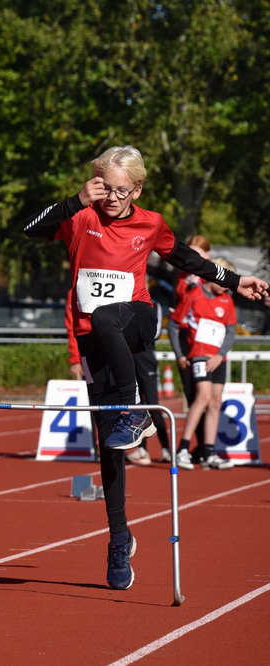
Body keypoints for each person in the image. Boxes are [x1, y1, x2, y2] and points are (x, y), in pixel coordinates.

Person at [21, 145, 268, 591]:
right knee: (110, 445)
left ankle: (135, 407)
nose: (111, 198)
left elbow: (189, 261)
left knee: (106, 316)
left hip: (136, 321)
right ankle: (119, 538)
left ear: (137, 188)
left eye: (120, 190)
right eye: (104, 188)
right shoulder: (80, 216)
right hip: (93, 342)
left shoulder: (150, 223)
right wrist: (76, 200)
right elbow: (29, 228)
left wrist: (236, 281)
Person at [64, 299, 170, 465]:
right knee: (101, 405)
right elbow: (72, 325)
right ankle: (118, 447)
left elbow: (153, 330)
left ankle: (165, 447)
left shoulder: (147, 301)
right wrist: (75, 358)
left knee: (150, 401)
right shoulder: (77, 292)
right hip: (92, 348)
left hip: (139, 353)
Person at [168, 257, 238, 470]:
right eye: (225, 281)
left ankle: (209, 451)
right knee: (203, 397)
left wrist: (220, 354)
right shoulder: (194, 295)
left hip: (219, 358)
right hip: (199, 355)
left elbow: (231, 331)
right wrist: (180, 354)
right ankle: (183, 449)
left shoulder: (227, 301)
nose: (226, 288)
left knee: (215, 401)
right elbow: (174, 324)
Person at [165, 234, 211, 462]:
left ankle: (206, 446)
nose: (193, 257)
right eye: (190, 252)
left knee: (208, 396)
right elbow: (179, 311)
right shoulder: (184, 277)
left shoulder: (211, 276)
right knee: (193, 394)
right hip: (186, 337)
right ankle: (196, 445)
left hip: (206, 340)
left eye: (198, 253)